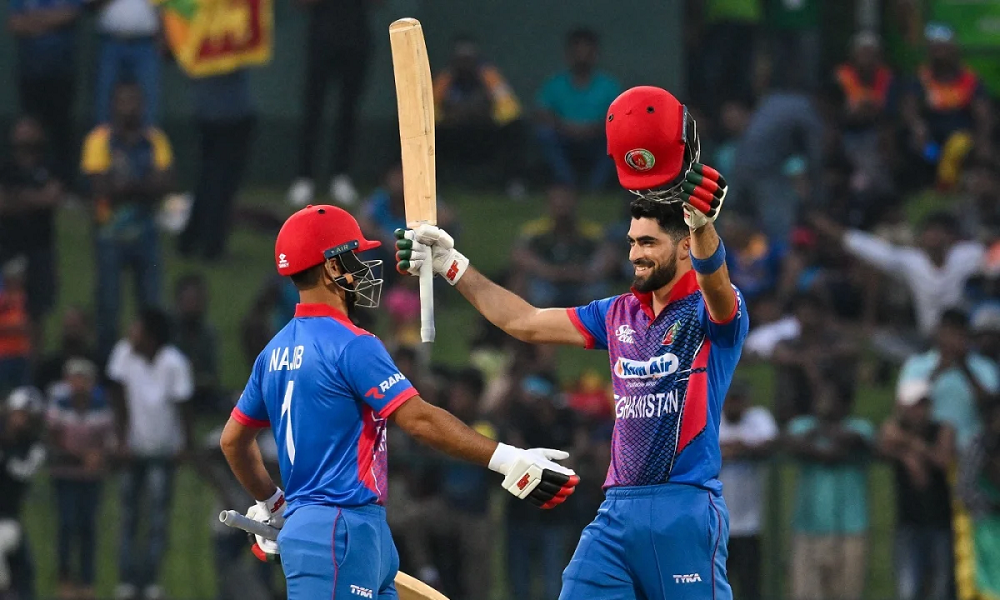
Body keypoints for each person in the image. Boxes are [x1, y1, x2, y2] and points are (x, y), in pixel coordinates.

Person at [396, 85, 748, 599]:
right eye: (632, 242)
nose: (635, 255)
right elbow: (523, 321)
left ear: (682, 249)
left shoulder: (709, 313)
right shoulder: (616, 313)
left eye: (649, 243)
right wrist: (452, 265)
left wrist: (704, 229)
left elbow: (717, 287)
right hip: (616, 511)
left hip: (683, 507)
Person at [219, 204, 579, 599]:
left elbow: (233, 441)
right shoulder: (352, 344)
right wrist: (507, 459)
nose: (364, 269)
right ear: (332, 267)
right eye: (355, 257)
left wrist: (273, 503)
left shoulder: (272, 353)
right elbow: (419, 420)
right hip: (340, 530)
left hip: (348, 531)